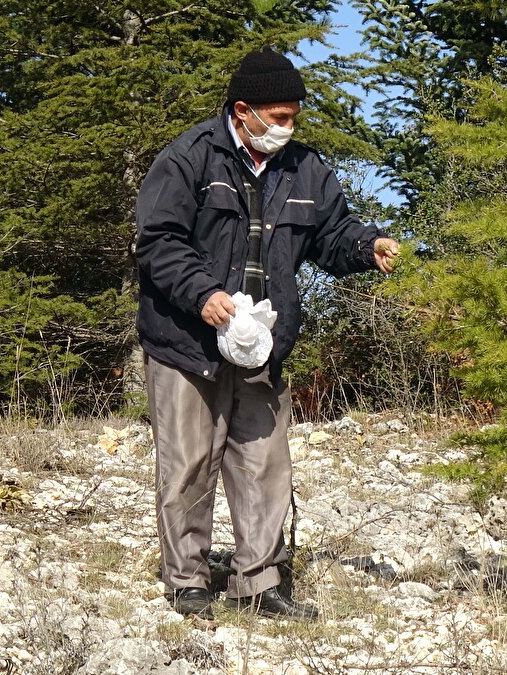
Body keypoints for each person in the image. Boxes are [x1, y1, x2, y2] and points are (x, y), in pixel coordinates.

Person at [135, 48, 400, 621]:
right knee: (187, 464)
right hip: (187, 342)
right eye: (278, 117)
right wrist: (204, 294)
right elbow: (157, 240)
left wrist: (365, 246)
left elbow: (333, 233)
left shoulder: (305, 168)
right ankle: (188, 580)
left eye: (293, 117)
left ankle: (260, 583)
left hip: (260, 344)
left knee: (264, 465)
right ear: (242, 111)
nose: (288, 128)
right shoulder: (188, 159)